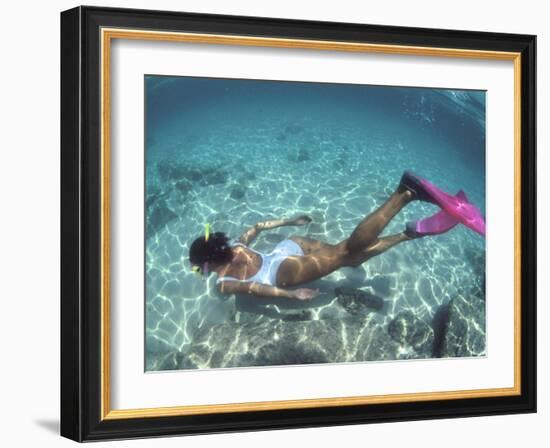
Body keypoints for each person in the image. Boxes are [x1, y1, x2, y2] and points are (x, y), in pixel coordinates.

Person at [188, 171, 485, 301]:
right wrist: (291, 221)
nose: (205, 273)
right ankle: (409, 234)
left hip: (281, 272)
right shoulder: (238, 243)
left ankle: (405, 194)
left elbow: (257, 290)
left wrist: (291, 294)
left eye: (202, 269)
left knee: (345, 252)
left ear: (209, 263)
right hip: (286, 248)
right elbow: (259, 225)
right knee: (351, 259)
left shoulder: (225, 284)